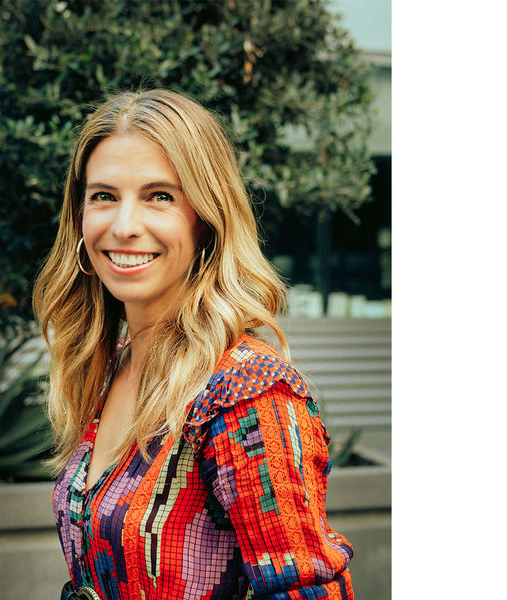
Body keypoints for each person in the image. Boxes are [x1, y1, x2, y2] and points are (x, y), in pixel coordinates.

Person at [33, 89, 354, 600]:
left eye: (160, 196)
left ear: (206, 217)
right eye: (104, 196)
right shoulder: (110, 369)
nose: (124, 226)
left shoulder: (249, 396)